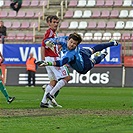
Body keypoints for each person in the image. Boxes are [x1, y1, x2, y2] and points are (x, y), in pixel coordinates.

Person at [37, 32, 118, 103]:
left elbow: (61, 62)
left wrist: (48, 63)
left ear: (77, 45)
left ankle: (104, 54)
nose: (72, 44)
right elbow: (50, 40)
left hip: (84, 66)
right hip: (82, 52)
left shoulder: (71, 54)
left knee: (94, 60)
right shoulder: (63, 39)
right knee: (93, 49)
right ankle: (112, 44)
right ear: (68, 39)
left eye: (74, 44)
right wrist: (48, 41)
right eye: (71, 42)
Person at [40, 15, 71, 108]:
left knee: (53, 81)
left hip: (49, 59)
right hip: (53, 59)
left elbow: (50, 46)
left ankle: (44, 102)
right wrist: (43, 59)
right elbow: (43, 45)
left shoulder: (53, 34)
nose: (55, 24)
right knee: (67, 77)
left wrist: (59, 47)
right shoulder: (49, 33)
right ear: (49, 23)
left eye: (57, 22)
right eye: (53, 22)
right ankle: (51, 94)